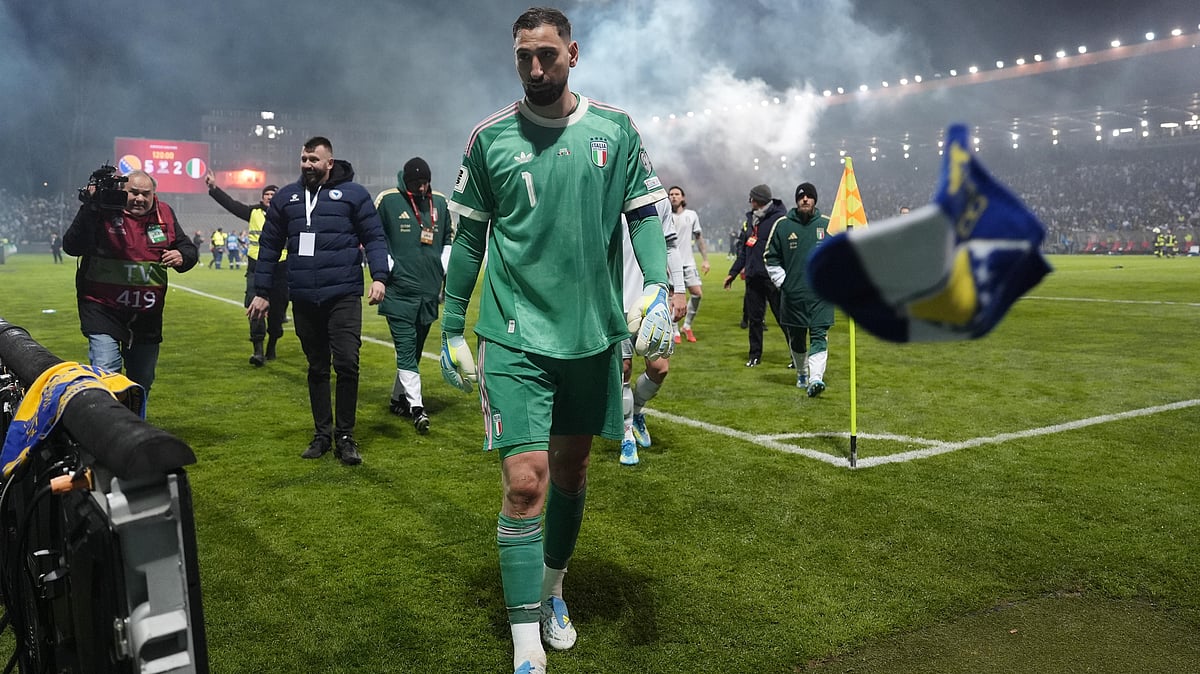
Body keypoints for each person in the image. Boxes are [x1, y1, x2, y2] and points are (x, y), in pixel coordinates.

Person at [439, 8, 672, 673]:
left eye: (547, 55)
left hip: (593, 337)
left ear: (573, 53)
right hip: (514, 338)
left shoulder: (616, 130)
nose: (535, 68)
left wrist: (656, 286)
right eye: (523, 57)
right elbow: (470, 238)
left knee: (571, 471)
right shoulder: (489, 139)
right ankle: (524, 646)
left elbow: (644, 214)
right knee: (525, 481)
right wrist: (452, 325)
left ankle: (552, 590)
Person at [248, 136, 388, 467]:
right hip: (304, 297)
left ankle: (345, 435)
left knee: (347, 363)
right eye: (304, 159)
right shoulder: (287, 197)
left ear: (329, 162)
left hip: (343, 294)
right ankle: (322, 434)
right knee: (316, 366)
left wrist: (380, 276)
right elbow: (269, 246)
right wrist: (262, 291)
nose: (308, 164)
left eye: (314, 159)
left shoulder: (354, 195)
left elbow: (374, 237)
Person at [61, 169, 198, 398]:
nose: (140, 198)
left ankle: (134, 430)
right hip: (103, 308)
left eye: (146, 194)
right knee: (107, 373)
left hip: (147, 315)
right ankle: (107, 431)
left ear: (155, 194)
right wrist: (90, 207)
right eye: (133, 192)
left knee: (142, 381)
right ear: (121, 192)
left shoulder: (164, 213)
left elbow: (187, 247)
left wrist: (183, 256)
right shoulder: (103, 210)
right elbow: (72, 246)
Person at [374, 157, 453, 434]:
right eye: (415, 183)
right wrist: (382, 272)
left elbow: (447, 239)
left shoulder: (440, 203)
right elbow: (374, 237)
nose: (421, 188)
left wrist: (444, 275)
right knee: (407, 348)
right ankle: (417, 409)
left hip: (429, 292)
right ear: (404, 181)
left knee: (415, 350)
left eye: (425, 182)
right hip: (398, 291)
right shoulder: (387, 200)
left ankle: (398, 399)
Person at [620, 199, 685, 465]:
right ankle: (626, 435)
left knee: (660, 368)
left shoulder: (657, 198)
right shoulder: (602, 187)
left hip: (651, 298)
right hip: (613, 298)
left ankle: (636, 411)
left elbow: (670, 245)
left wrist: (679, 289)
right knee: (622, 369)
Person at [204, 174, 290, 366]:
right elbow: (232, 204)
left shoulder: (288, 215)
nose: (269, 196)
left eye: (273, 194)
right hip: (256, 268)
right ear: (262, 198)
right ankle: (258, 350)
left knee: (277, 313)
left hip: (281, 269)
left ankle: (272, 344)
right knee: (254, 308)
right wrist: (214, 188)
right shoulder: (253, 212)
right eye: (266, 194)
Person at [764, 182, 834, 396]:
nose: (805, 200)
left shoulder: (829, 225)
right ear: (797, 200)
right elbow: (770, 257)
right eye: (801, 197)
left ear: (815, 200)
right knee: (796, 337)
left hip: (821, 296)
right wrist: (784, 283)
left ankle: (815, 379)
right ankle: (802, 373)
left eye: (809, 197)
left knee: (819, 335)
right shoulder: (782, 225)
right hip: (793, 296)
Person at [724, 183, 788, 367]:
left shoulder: (780, 219)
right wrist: (733, 273)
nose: (749, 201)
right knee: (755, 319)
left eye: (751, 198)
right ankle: (754, 355)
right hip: (753, 277)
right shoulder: (751, 219)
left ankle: (796, 355)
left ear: (758, 199)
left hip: (773, 277)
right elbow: (744, 249)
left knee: (783, 317)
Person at [666, 185, 709, 343]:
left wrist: (705, 259)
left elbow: (699, 238)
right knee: (672, 296)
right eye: (671, 194)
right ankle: (675, 330)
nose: (673, 197)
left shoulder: (691, 215)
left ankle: (687, 326)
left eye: (677, 194)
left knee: (697, 293)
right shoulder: (665, 215)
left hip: (688, 262)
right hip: (670, 263)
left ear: (683, 197)